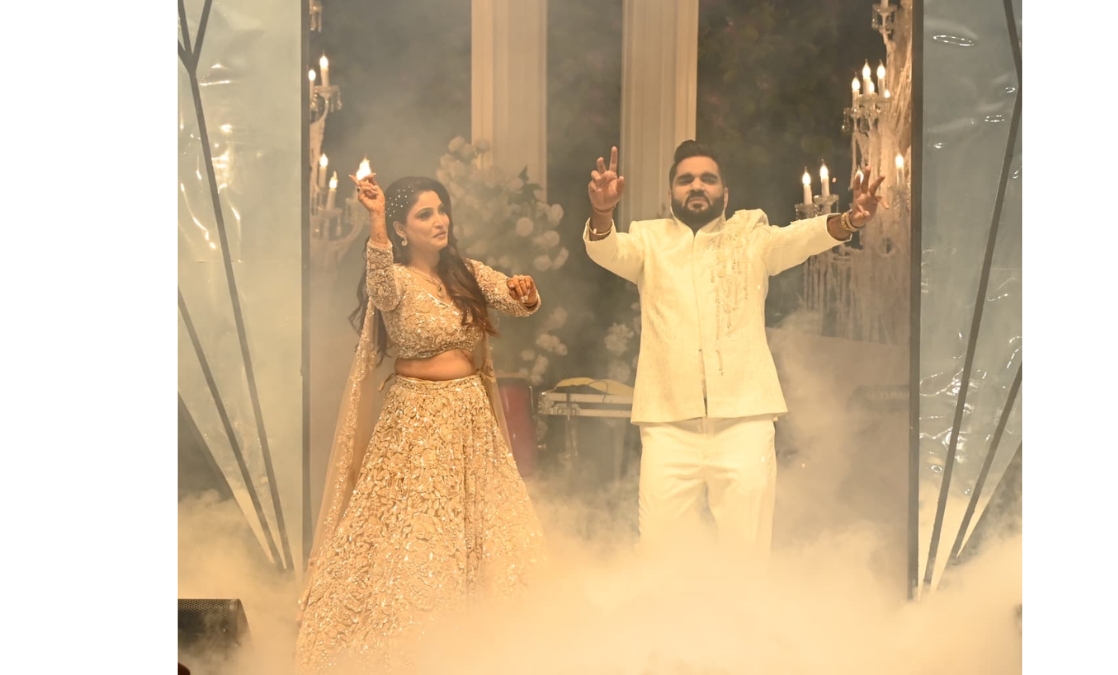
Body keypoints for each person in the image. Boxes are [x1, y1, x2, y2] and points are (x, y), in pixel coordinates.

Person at [582, 141, 884, 562]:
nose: (697, 186)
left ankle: (745, 608)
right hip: (669, 423)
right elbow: (607, 249)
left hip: (745, 420)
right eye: (686, 180)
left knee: (747, 551)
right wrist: (602, 213)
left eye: (708, 179)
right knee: (660, 554)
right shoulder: (648, 240)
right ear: (671, 193)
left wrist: (849, 220)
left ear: (725, 194)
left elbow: (799, 238)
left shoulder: (750, 235)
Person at [294, 174, 547, 673]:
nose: (439, 221)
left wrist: (526, 290)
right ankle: (412, 648)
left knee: (483, 528)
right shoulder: (395, 278)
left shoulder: (466, 273)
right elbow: (380, 288)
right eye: (425, 214)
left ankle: (480, 646)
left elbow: (516, 302)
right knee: (418, 534)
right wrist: (375, 221)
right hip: (414, 421)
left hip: (470, 419)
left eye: (442, 210)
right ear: (402, 229)